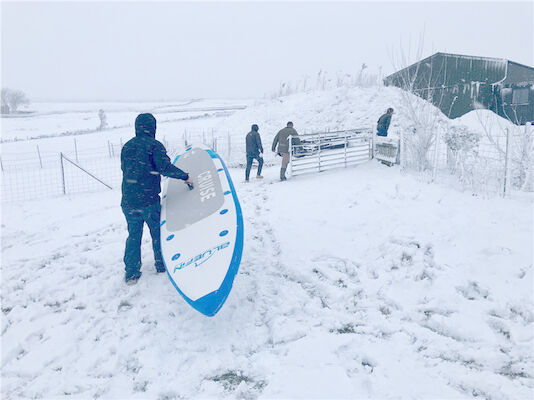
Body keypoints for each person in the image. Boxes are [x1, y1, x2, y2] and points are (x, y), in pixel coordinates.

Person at [121, 113, 192, 285]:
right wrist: (185, 177)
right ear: (153, 127)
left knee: (133, 236)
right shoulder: (154, 146)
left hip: (129, 201)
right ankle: (161, 264)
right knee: (157, 233)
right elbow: (165, 168)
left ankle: (131, 272)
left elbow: (125, 168)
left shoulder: (127, 146)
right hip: (149, 201)